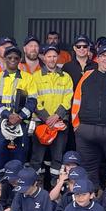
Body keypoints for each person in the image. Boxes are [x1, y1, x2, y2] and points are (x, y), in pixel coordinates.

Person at [71, 45, 106, 187]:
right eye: (103, 56)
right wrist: (76, 125)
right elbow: (76, 100)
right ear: (97, 58)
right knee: (88, 169)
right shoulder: (87, 75)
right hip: (85, 130)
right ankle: (92, 197)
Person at [29, 44, 73, 186]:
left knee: (57, 158)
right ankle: (36, 187)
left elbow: (68, 99)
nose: (52, 59)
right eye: (49, 56)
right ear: (43, 57)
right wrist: (47, 118)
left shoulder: (66, 77)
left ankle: (56, 187)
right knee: (37, 158)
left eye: (54, 56)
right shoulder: (35, 77)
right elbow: (33, 99)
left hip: (59, 123)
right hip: (41, 124)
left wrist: (56, 116)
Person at [0, 46, 37, 167]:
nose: (13, 60)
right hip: (0, 122)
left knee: (19, 156)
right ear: (4, 59)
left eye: (16, 58)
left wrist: (19, 116)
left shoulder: (28, 78)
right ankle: (0, 182)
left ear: (20, 60)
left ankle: (17, 183)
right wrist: (8, 115)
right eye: (9, 57)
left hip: (21, 123)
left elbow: (32, 101)